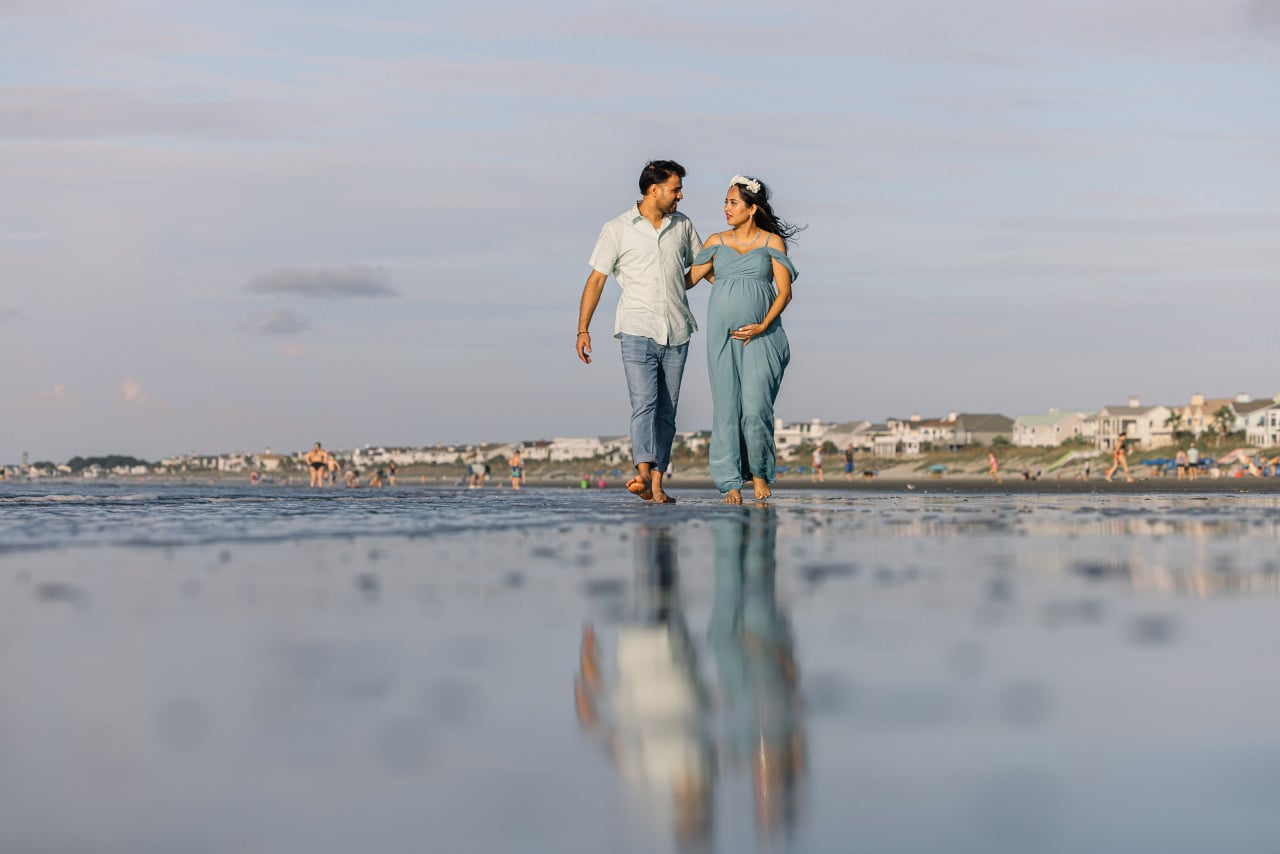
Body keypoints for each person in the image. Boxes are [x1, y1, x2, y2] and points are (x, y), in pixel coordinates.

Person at [576, 160, 703, 505]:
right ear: (653, 190)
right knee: (644, 403)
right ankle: (643, 473)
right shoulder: (617, 228)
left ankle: (657, 484)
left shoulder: (683, 225)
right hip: (636, 328)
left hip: (677, 329)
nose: (681, 195)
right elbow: (597, 279)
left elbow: (702, 267)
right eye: (675, 189)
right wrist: (583, 329)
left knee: (667, 410)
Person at [687, 175, 801, 503]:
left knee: (754, 409)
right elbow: (689, 280)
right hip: (721, 337)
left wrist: (763, 324)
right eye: (725, 202)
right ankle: (730, 481)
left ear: (752, 209)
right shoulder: (715, 241)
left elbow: (785, 292)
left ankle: (760, 473)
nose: (726, 208)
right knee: (726, 409)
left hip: (763, 336)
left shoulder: (771, 243)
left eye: (733, 202)